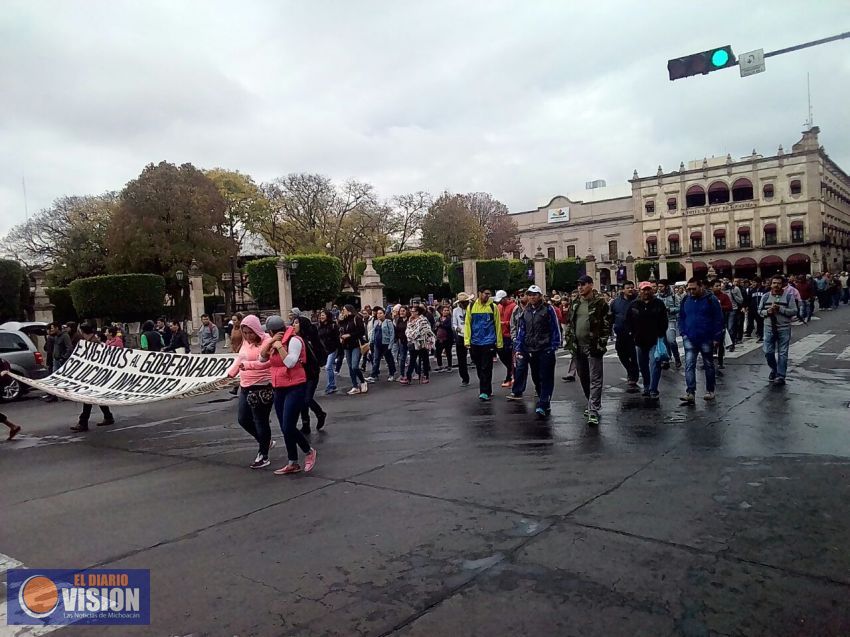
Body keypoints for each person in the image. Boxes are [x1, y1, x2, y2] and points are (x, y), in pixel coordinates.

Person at [241, 316, 316, 475]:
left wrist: (279, 346)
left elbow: (290, 362)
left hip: (295, 386)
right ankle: (292, 462)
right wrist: (270, 343)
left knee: (288, 425)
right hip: (279, 387)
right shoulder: (274, 342)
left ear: (272, 330)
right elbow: (262, 358)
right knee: (284, 427)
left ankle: (309, 451)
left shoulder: (294, 341)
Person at [227, 314, 275, 469]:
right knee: (243, 419)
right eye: (245, 332)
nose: (248, 336)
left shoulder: (267, 341)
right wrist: (230, 373)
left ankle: (263, 454)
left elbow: (267, 362)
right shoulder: (245, 343)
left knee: (260, 420)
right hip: (246, 385)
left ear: (257, 330)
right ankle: (265, 442)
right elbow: (240, 359)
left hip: (262, 385)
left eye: (250, 332)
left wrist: (248, 366)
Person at [565, 275, 611, 426]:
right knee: (583, 377)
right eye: (579, 285)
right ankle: (590, 402)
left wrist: (602, 343)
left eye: (583, 284)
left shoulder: (600, 303)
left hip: (593, 346)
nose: (580, 287)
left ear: (591, 285)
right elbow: (570, 323)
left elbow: (606, 324)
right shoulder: (575, 303)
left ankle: (593, 409)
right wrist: (569, 340)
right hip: (578, 346)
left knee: (596, 379)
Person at [509, 285, 560, 417]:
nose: (532, 297)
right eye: (530, 294)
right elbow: (522, 330)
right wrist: (519, 347)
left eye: (535, 294)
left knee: (546, 377)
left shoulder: (548, 310)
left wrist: (554, 346)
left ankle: (544, 402)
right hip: (530, 349)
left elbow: (555, 327)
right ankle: (543, 398)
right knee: (536, 377)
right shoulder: (525, 311)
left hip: (545, 348)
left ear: (540, 296)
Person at [678, 278, 724, 404]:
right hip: (690, 337)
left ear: (701, 287)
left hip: (706, 337)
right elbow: (681, 316)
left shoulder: (711, 299)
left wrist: (716, 337)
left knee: (708, 364)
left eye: (694, 288)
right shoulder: (685, 299)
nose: (691, 291)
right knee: (689, 365)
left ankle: (710, 390)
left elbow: (718, 318)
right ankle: (690, 392)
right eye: (689, 289)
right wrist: (683, 332)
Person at [626, 282, 668, 400]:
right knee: (643, 365)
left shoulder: (658, 304)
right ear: (639, 291)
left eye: (648, 289)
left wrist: (661, 333)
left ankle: (653, 388)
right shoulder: (634, 305)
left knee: (655, 363)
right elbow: (628, 321)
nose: (646, 292)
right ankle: (646, 385)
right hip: (639, 340)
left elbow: (664, 320)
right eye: (644, 290)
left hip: (654, 339)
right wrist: (631, 334)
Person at [71, 325, 115, 432]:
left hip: (94, 375)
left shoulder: (93, 343)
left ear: (82, 331)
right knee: (94, 398)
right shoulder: (90, 342)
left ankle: (83, 422)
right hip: (94, 375)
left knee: (88, 399)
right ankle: (108, 416)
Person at [464, 285, 503, 401]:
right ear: (480, 293)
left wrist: (499, 343)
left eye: (489, 294)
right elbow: (467, 324)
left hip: (488, 341)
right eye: (485, 293)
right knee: (479, 367)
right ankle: (487, 388)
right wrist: (467, 340)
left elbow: (497, 325)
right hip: (475, 342)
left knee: (486, 367)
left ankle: (484, 391)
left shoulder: (493, 307)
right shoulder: (471, 307)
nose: (487, 296)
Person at [759, 275, 799, 386]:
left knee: (783, 353)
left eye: (779, 283)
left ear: (783, 285)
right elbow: (759, 311)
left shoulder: (788, 297)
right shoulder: (765, 296)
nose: (776, 285)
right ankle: (774, 369)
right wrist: (767, 312)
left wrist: (780, 309)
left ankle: (781, 375)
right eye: (774, 283)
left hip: (784, 328)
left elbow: (794, 311)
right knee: (768, 352)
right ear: (771, 284)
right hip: (769, 327)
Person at [295, 316, 327, 435]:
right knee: (302, 400)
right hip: (300, 374)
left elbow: (318, 354)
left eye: (297, 323)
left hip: (311, 373)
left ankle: (320, 413)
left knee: (307, 398)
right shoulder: (295, 339)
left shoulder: (308, 339)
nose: (294, 325)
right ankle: (305, 424)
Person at [609, 281, 639, 388]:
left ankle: (633, 376)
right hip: (620, 333)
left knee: (634, 355)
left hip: (634, 334)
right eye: (628, 288)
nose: (630, 289)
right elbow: (611, 316)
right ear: (623, 289)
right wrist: (610, 330)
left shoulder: (637, 301)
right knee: (621, 353)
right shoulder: (616, 302)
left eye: (632, 287)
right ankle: (630, 370)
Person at [338, 304, 368, 395]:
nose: (342, 311)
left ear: (349, 310)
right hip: (346, 346)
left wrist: (350, 335)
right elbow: (341, 330)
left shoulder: (356, 318)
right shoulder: (343, 320)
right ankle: (355, 386)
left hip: (355, 344)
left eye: (344, 309)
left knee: (355, 366)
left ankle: (363, 381)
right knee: (350, 367)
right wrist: (340, 321)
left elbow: (361, 331)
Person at [401, 305, 435, 385]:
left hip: (422, 342)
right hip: (413, 343)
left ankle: (425, 375)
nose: (411, 313)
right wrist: (410, 335)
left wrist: (413, 335)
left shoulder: (423, 320)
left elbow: (423, 331)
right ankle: (408, 377)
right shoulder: (410, 320)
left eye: (413, 311)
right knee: (412, 360)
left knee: (425, 359)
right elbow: (408, 330)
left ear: (417, 312)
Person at [657, 279, 682, 370]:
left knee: (671, 340)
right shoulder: (656, 297)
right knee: (663, 341)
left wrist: (670, 309)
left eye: (661, 286)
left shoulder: (674, 297)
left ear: (666, 286)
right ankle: (666, 359)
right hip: (659, 322)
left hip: (670, 320)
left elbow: (679, 307)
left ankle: (677, 357)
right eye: (659, 287)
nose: (660, 288)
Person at [366, 308, 397, 382]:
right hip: (377, 344)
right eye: (378, 313)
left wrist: (390, 345)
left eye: (381, 313)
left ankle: (392, 374)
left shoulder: (388, 322)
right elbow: (373, 332)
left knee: (389, 360)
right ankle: (374, 375)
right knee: (376, 359)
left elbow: (392, 334)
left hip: (386, 344)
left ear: (384, 314)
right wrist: (371, 341)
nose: (379, 315)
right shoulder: (376, 322)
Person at [494, 290, 516, 388]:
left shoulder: (513, 306)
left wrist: (505, 323)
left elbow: (514, 321)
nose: (500, 302)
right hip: (500, 335)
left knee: (510, 356)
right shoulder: (498, 307)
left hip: (509, 335)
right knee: (502, 355)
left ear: (505, 298)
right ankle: (512, 372)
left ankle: (509, 377)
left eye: (501, 300)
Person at [711, 280, 732, 370]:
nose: (719, 287)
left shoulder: (724, 296)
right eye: (716, 285)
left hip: (720, 322)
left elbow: (729, 307)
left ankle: (720, 362)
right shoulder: (709, 297)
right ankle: (709, 361)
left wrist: (719, 307)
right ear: (712, 287)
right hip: (709, 323)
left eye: (720, 285)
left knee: (720, 343)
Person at [317, 310, 340, 395]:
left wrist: (337, 348)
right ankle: (332, 385)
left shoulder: (333, 325)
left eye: (323, 315)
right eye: (321, 315)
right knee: (328, 367)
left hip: (332, 348)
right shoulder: (320, 326)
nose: (321, 317)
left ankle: (331, 386)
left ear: (327, 316)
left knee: (328, 367)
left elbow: (337, 338)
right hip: (324, 349)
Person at [452, 294, 471, 387]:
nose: (466, 304)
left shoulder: (471, 308)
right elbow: (455, 324)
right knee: (461, 359)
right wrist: (458, 329)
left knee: (476, 357)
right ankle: (464, 378)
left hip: (471, 335)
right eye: (464, 302)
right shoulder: (455, 311)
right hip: (461, 336)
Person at [434, 305, 455, 373]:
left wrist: (440, 324)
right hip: (439, 338)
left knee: (448, 352)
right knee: (438, 352)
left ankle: (449, 366)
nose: (446, 312)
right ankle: (440, 365)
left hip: (448, 338)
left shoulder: (449, 319)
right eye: (444, 310)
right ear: (441, 311)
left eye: (447, 310)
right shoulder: (439, 318)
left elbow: (448, 327)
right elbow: (436, 326)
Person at [394, 306, 410, 382]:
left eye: (403, 311)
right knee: (402, 358)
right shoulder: (399, 320)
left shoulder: (409, 320)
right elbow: (397, 330)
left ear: (407, 311)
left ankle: (417, 372)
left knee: (413, 357)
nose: (402, 312)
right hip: (401, 341)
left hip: (409, 341)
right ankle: (402, 374)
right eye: (400, 311)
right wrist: (396, 338)